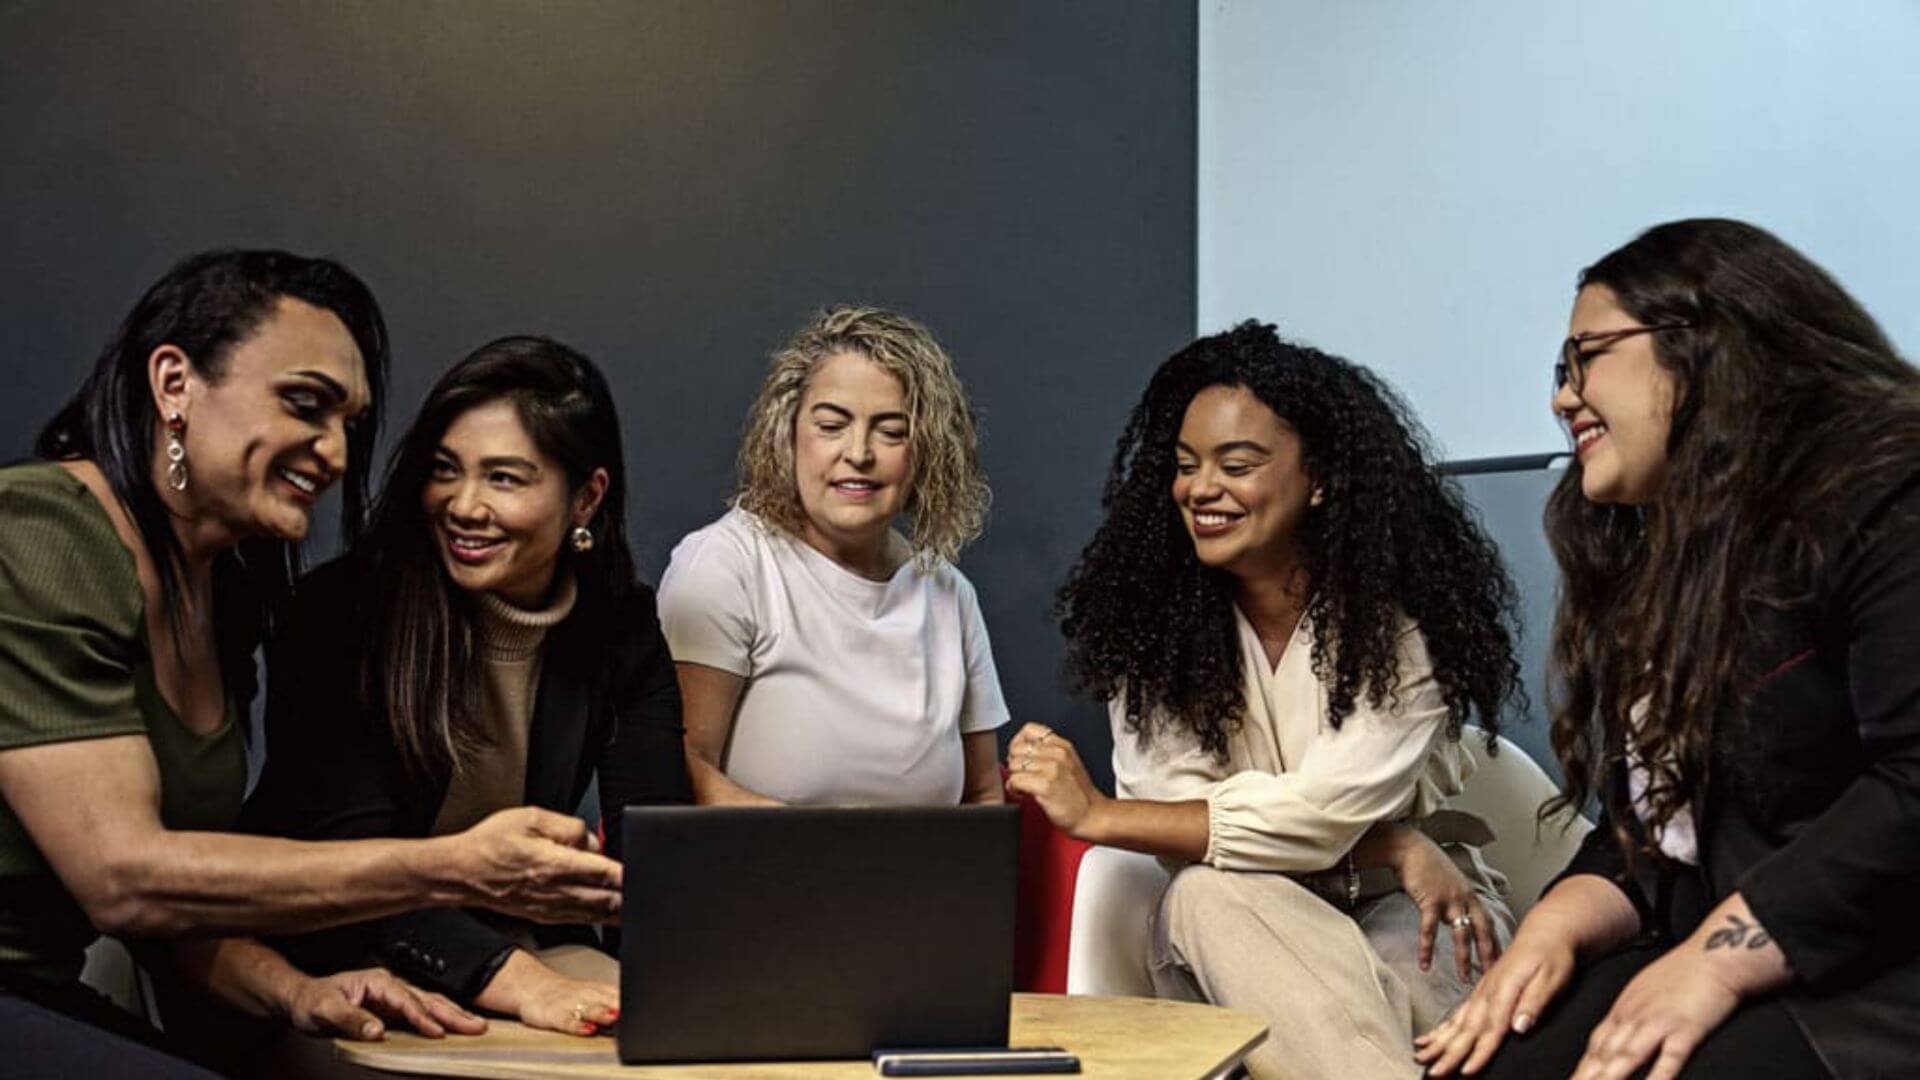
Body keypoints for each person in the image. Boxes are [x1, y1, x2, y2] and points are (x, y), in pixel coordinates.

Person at [0, 251, 623, 1078]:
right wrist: (452, 868)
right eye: (305, 404)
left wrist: (296, 991)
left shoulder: (222, 592)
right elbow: (123, 877)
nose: (333, 452)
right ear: (174, 384)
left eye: (349, 425)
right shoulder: (42, 531)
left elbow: (175, 904)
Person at [1415, 219, 1918, 1080]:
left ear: (1704, 344)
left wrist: (1717, 962)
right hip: (1734, 948)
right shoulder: (1667, 558)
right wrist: (1553, 927)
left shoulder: (1888, 492)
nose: (1563, 398)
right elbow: (1652, 835)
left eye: (1586, 357)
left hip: (1876, 978)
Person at [1021, 321, 1523, 1080]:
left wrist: (1098, 816)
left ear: (1319, 478)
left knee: (1384, 992)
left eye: (1237, 464)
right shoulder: (1152, 635)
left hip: (1413, 906)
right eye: (1186, 465)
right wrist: (1392, 843)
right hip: (1246, 917)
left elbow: (1320, 813)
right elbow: (1179, 821)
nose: (1201, 489)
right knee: (1207, 896)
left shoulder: (1399, 630)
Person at [242, 336, 691, 1042]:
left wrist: (690, 977)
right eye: (445, 470)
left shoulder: (619, 624)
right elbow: (349, 861)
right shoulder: (339, 614)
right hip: (342, 949)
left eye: (504, 479)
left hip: (528, 941)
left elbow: (654, 845)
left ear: (586, 497)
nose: (464, 506)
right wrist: (523, 983)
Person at [657, 305, 1007, 806]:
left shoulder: (950, 593)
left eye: (892, 431)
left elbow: (983, 793)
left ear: (928, 451)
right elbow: (682, 766)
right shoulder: (726, 564)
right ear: (788, 432)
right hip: (762, 857)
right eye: (831, 425)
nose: (859, 453)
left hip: (927, 861)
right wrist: (813, 843)